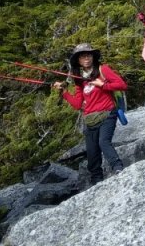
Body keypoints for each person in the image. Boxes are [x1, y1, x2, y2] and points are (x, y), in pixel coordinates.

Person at [53, 43, 127, 186]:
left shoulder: (103, 70)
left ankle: (118, 168)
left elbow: (122, 85)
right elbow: (77, 104)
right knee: (92, 152)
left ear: (93, 57)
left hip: (107, 114)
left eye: (88, 54)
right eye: (82, 56)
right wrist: (64, 92)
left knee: (103, 142)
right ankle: (96, 180)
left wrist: (103, 85)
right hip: (90, 120)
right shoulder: (80, 80)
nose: (86, 57)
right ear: (78, 61)